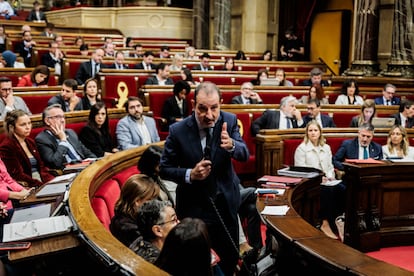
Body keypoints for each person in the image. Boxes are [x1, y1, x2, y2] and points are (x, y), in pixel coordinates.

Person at [160, 82, 249, 275]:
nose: (209, 115)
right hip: (194, 209)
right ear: (193, 105)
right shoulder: (178, 130)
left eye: (214, 108)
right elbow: (164, 169)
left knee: (229, 259)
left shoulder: (230, 121)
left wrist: (232, 144)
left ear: (221, 104)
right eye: (202, 109)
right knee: (196, 265)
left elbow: (244, 153)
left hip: (225, 205)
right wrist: (189, 174)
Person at [294, 120, 342, 239]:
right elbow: (301, 171)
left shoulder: (326, 147)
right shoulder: (302, 149)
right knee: (327, 190)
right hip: (311, 183)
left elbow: (330, 167)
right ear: (307, 133)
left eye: (316, 130)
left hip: (328, 179)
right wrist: (320, 179)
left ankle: (339, 220)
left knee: (342, 188)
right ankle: (324, 223)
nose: (313, 133)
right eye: (310, 131)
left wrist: (330, 177)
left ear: (320, 132)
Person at [0, 110, 54, 187]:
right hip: (28, 185)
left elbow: (42, 167)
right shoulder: (7, 147)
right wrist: (41, 185)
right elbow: (18, 175)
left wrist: (51, 181)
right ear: (12, 127)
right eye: (23, 125)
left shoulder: (30, 142)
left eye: (29, 123)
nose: (28, 127)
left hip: (41, 181)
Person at [35, 104, 97, 170]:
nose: (62, 120)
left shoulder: (70, 132)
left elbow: (87, 152)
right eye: (58, 117)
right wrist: (63, 140)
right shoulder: (42, 139)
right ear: (47, 121)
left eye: (63, 117)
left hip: (84, 168)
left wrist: (95, 161)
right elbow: (55, 163)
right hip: (67, 173)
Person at [109, 174, 160, 247]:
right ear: (137, 201)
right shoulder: (126, 227)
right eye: (150, 199)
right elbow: (148, 252)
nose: (155, 203)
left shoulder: (138, 216)